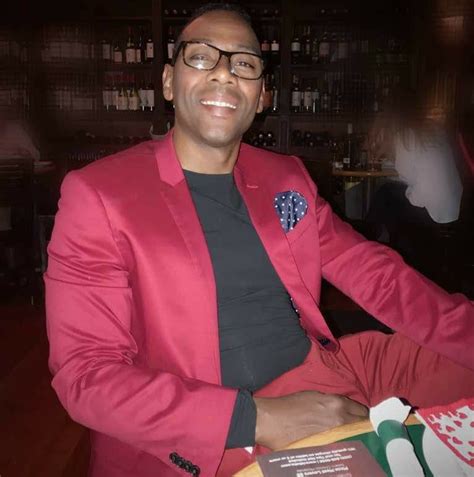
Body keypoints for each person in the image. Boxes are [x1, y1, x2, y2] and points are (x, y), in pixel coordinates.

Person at [45, 4, 474, 476]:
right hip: (216, 423)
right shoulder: (100, 195)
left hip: (325, 369)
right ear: (168, 82)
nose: (224, 73)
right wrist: (258, 419)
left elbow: (378, 275)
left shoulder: (284, 176)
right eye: (201, 57)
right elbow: (86, 376)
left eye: (244, 63)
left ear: (261, 95)